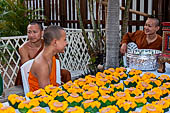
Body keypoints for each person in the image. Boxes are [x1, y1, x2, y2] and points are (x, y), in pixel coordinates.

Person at [15, 21, 71, 86]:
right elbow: (28, 69)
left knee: (65, 73)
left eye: (35, 32)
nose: (32, 35)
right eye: (29, 32)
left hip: (47, 70)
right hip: (34, 74)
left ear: (42, 33)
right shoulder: (23, 48)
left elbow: (55, 62)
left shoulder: (48, 44)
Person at [28, 25, 68, 91]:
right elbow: (47, 93)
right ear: (55, 42)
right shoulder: (41, 64)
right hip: (40, 99)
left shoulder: (52, 58)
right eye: (64, 40)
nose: (66, 43)